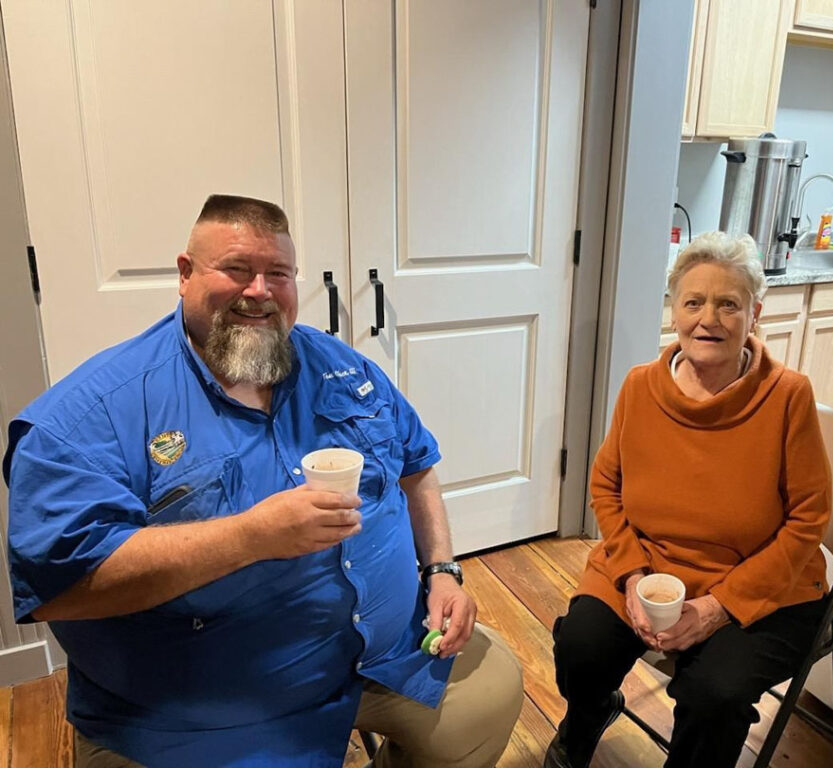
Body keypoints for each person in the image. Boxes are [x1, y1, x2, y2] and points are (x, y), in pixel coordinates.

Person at [4, 195, 523, 768]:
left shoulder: (343, 370)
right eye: (236, 270)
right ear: (184, 274)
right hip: (206, 711)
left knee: (491, 690)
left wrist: (443, 572)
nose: (260, 291)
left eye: (278, 273)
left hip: (383, 657)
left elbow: (417, 464)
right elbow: (64, 585)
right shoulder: (90, 414)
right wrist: (250, 537)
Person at [545, 231, 832, 768]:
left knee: (713, 695)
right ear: (674, 310)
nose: (710, 319)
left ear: (755, 315)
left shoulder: (788, 396)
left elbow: (808, 519)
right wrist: (630, 576)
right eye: (694, 301)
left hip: (763, 583)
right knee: (581, 647)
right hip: (650, 567)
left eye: (729, 304)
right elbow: (607, 485)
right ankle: (589, 713)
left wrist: (716, 608)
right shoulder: (639, 387)